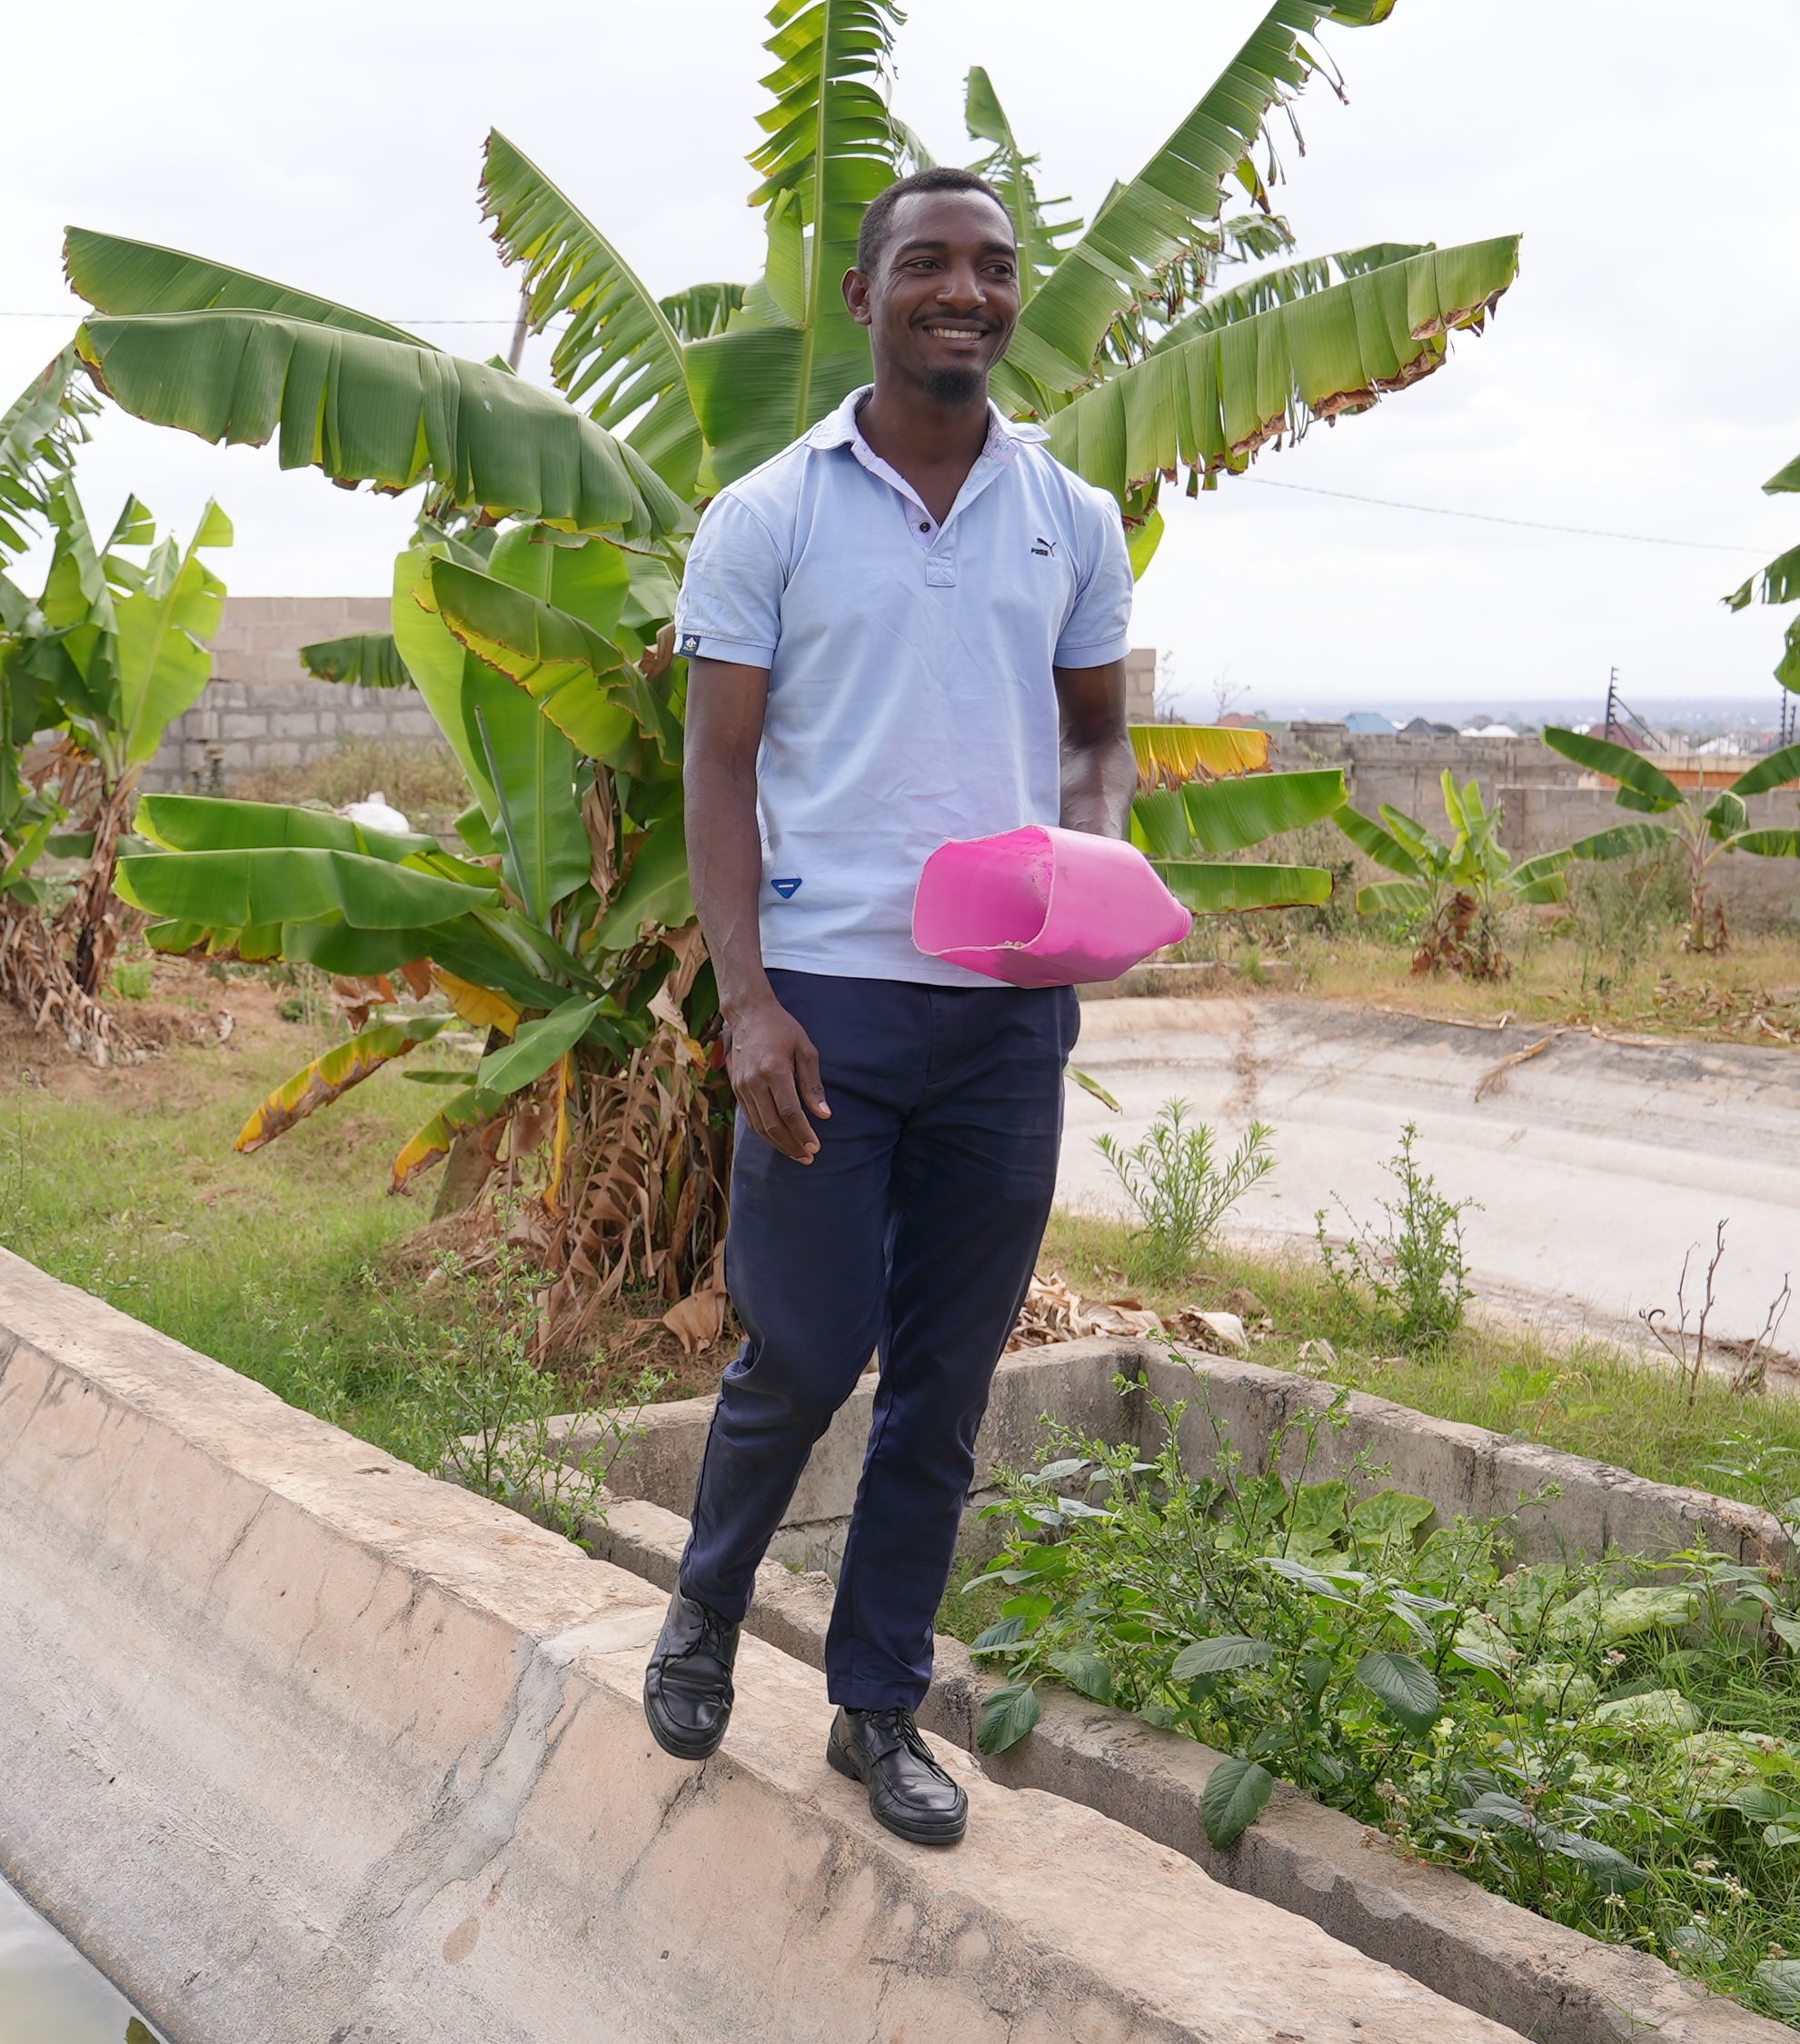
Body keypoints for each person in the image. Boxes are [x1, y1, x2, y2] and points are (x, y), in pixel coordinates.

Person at [641, 165, 1137, 1848]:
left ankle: (875, 1706)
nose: (965, 290)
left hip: (1004, 1013)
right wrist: (750, 1003)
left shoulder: (1071, 513)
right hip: (828, 1002)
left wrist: (1096, 875)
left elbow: (1091, 735)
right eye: (927, 262)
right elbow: (716, 762)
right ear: (864, 292)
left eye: (993, 267)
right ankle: (708, 1599)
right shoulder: (768, 513)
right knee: (805, 1341)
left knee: (943, 1376)